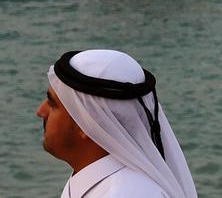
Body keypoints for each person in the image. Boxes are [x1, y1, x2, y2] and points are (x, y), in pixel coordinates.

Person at [37, 49, 197, 198]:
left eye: (53, 104)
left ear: (86, 122)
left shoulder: (127, 193)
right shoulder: (93, 177)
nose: (40, 111)